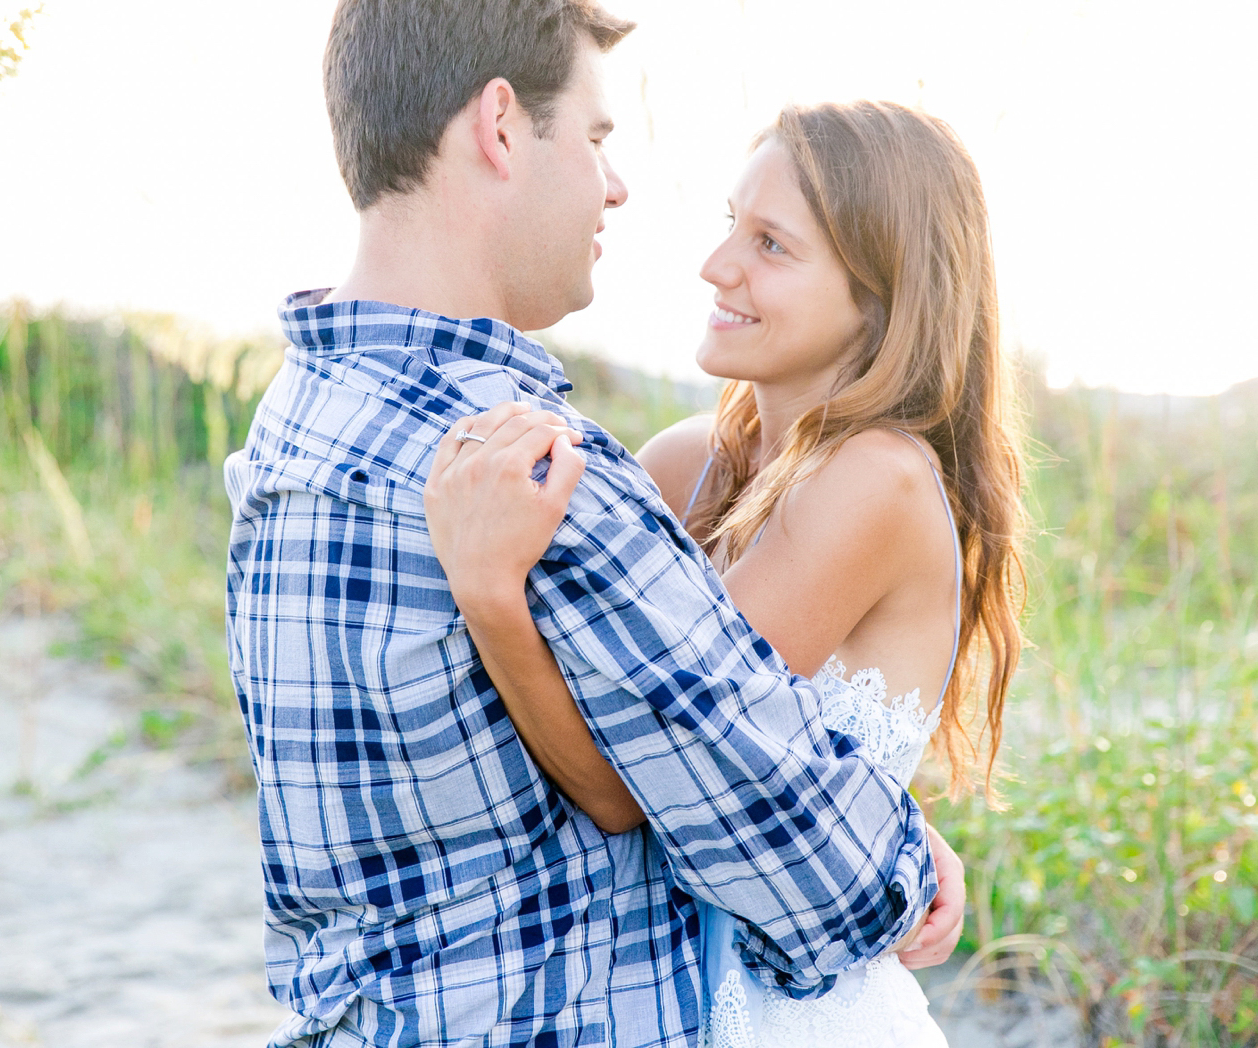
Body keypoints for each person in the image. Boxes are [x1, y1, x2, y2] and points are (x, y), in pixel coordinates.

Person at [222, 3, 965, 1045]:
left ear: (880, 293)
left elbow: (682, 761)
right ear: (498, 126)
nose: (619, 186)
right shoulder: (565, 467)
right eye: (598, 137)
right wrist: (892, 846)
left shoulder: (296, 425)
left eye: (771, 244)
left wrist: (881, 815)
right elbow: (781, 838)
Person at [421, 100, 1025, 1047]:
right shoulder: (685, 461)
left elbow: (632, 782)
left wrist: (491, 595)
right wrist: (889, 823)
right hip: (651, 999)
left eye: (772, 245)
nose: (717, 267)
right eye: (729, 225)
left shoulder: (878, 479)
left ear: (882, 294)